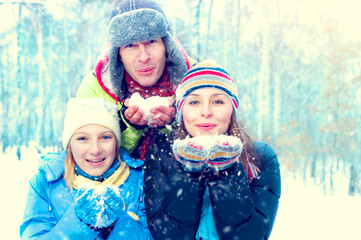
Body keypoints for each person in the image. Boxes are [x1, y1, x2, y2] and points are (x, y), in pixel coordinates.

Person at [143, 60, 281, 240]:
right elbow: (169, 235)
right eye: (194, 102)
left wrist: (226, 170)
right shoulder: (161, 155)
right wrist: (188, 171)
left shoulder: (261, 157)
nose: (206, 112)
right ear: (181, 111)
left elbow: (251, 236)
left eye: (217, 101)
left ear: (232, 109)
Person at [76, 0, 197, 160]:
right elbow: (84, 159)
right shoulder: (94, 89)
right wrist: (128, 126)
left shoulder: (198, 81)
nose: (144, 57)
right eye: (130, 45)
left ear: (167, 46)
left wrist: (178, 123)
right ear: (117, 53)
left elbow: (221, 145)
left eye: (151, 41)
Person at [20, 98, 153, 240]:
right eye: (83, 138)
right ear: (69, 144)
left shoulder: (141, 180)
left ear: (116, 141)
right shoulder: (45, 183)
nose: (95, 149)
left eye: (105, 137)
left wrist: (119, 222)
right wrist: (80, 224)